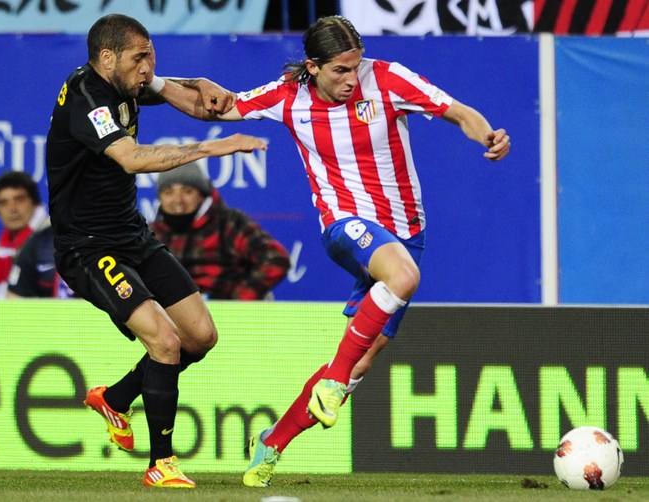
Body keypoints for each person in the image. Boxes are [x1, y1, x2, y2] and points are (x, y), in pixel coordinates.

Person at [162, 15, 511, 487]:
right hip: (344, 224)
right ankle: (332, 381)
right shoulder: (289, 97)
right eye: (340, 71)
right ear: (313, 66)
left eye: (355, 66)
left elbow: (459, 112)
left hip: (406, 233)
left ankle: (271, 442)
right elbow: (217, 110)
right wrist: (159, 83)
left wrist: (488, 135)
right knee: (402, 282)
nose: (352, 78)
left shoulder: (388, 78)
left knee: (362, 360)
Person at [45, 14, 267, 488]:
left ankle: (117, 398)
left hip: (132, 236)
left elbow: (187, 98)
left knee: (200, 336)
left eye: (151, 55)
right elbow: (132, 158)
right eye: (139, 57)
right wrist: (212, 148)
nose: (149, 66)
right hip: (87, 248)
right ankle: (161, 464)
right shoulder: (88, 98)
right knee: (165, 343)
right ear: (108, 58)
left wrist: (201, 85)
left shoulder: (126, 82)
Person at [151, 161, 291, 300]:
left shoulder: (228, 223)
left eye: (187, 191)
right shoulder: (150, 233)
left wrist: (238, 300)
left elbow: (275, 258)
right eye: (168, 192)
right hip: (167, 318)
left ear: (202, 194)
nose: (177, 200)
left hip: (227, 317)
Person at [0, 171, 48, 298]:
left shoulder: (50, 239)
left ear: (35, 202)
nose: (12, 209)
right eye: (3, 203)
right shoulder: (0, 249)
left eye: (19, 199)